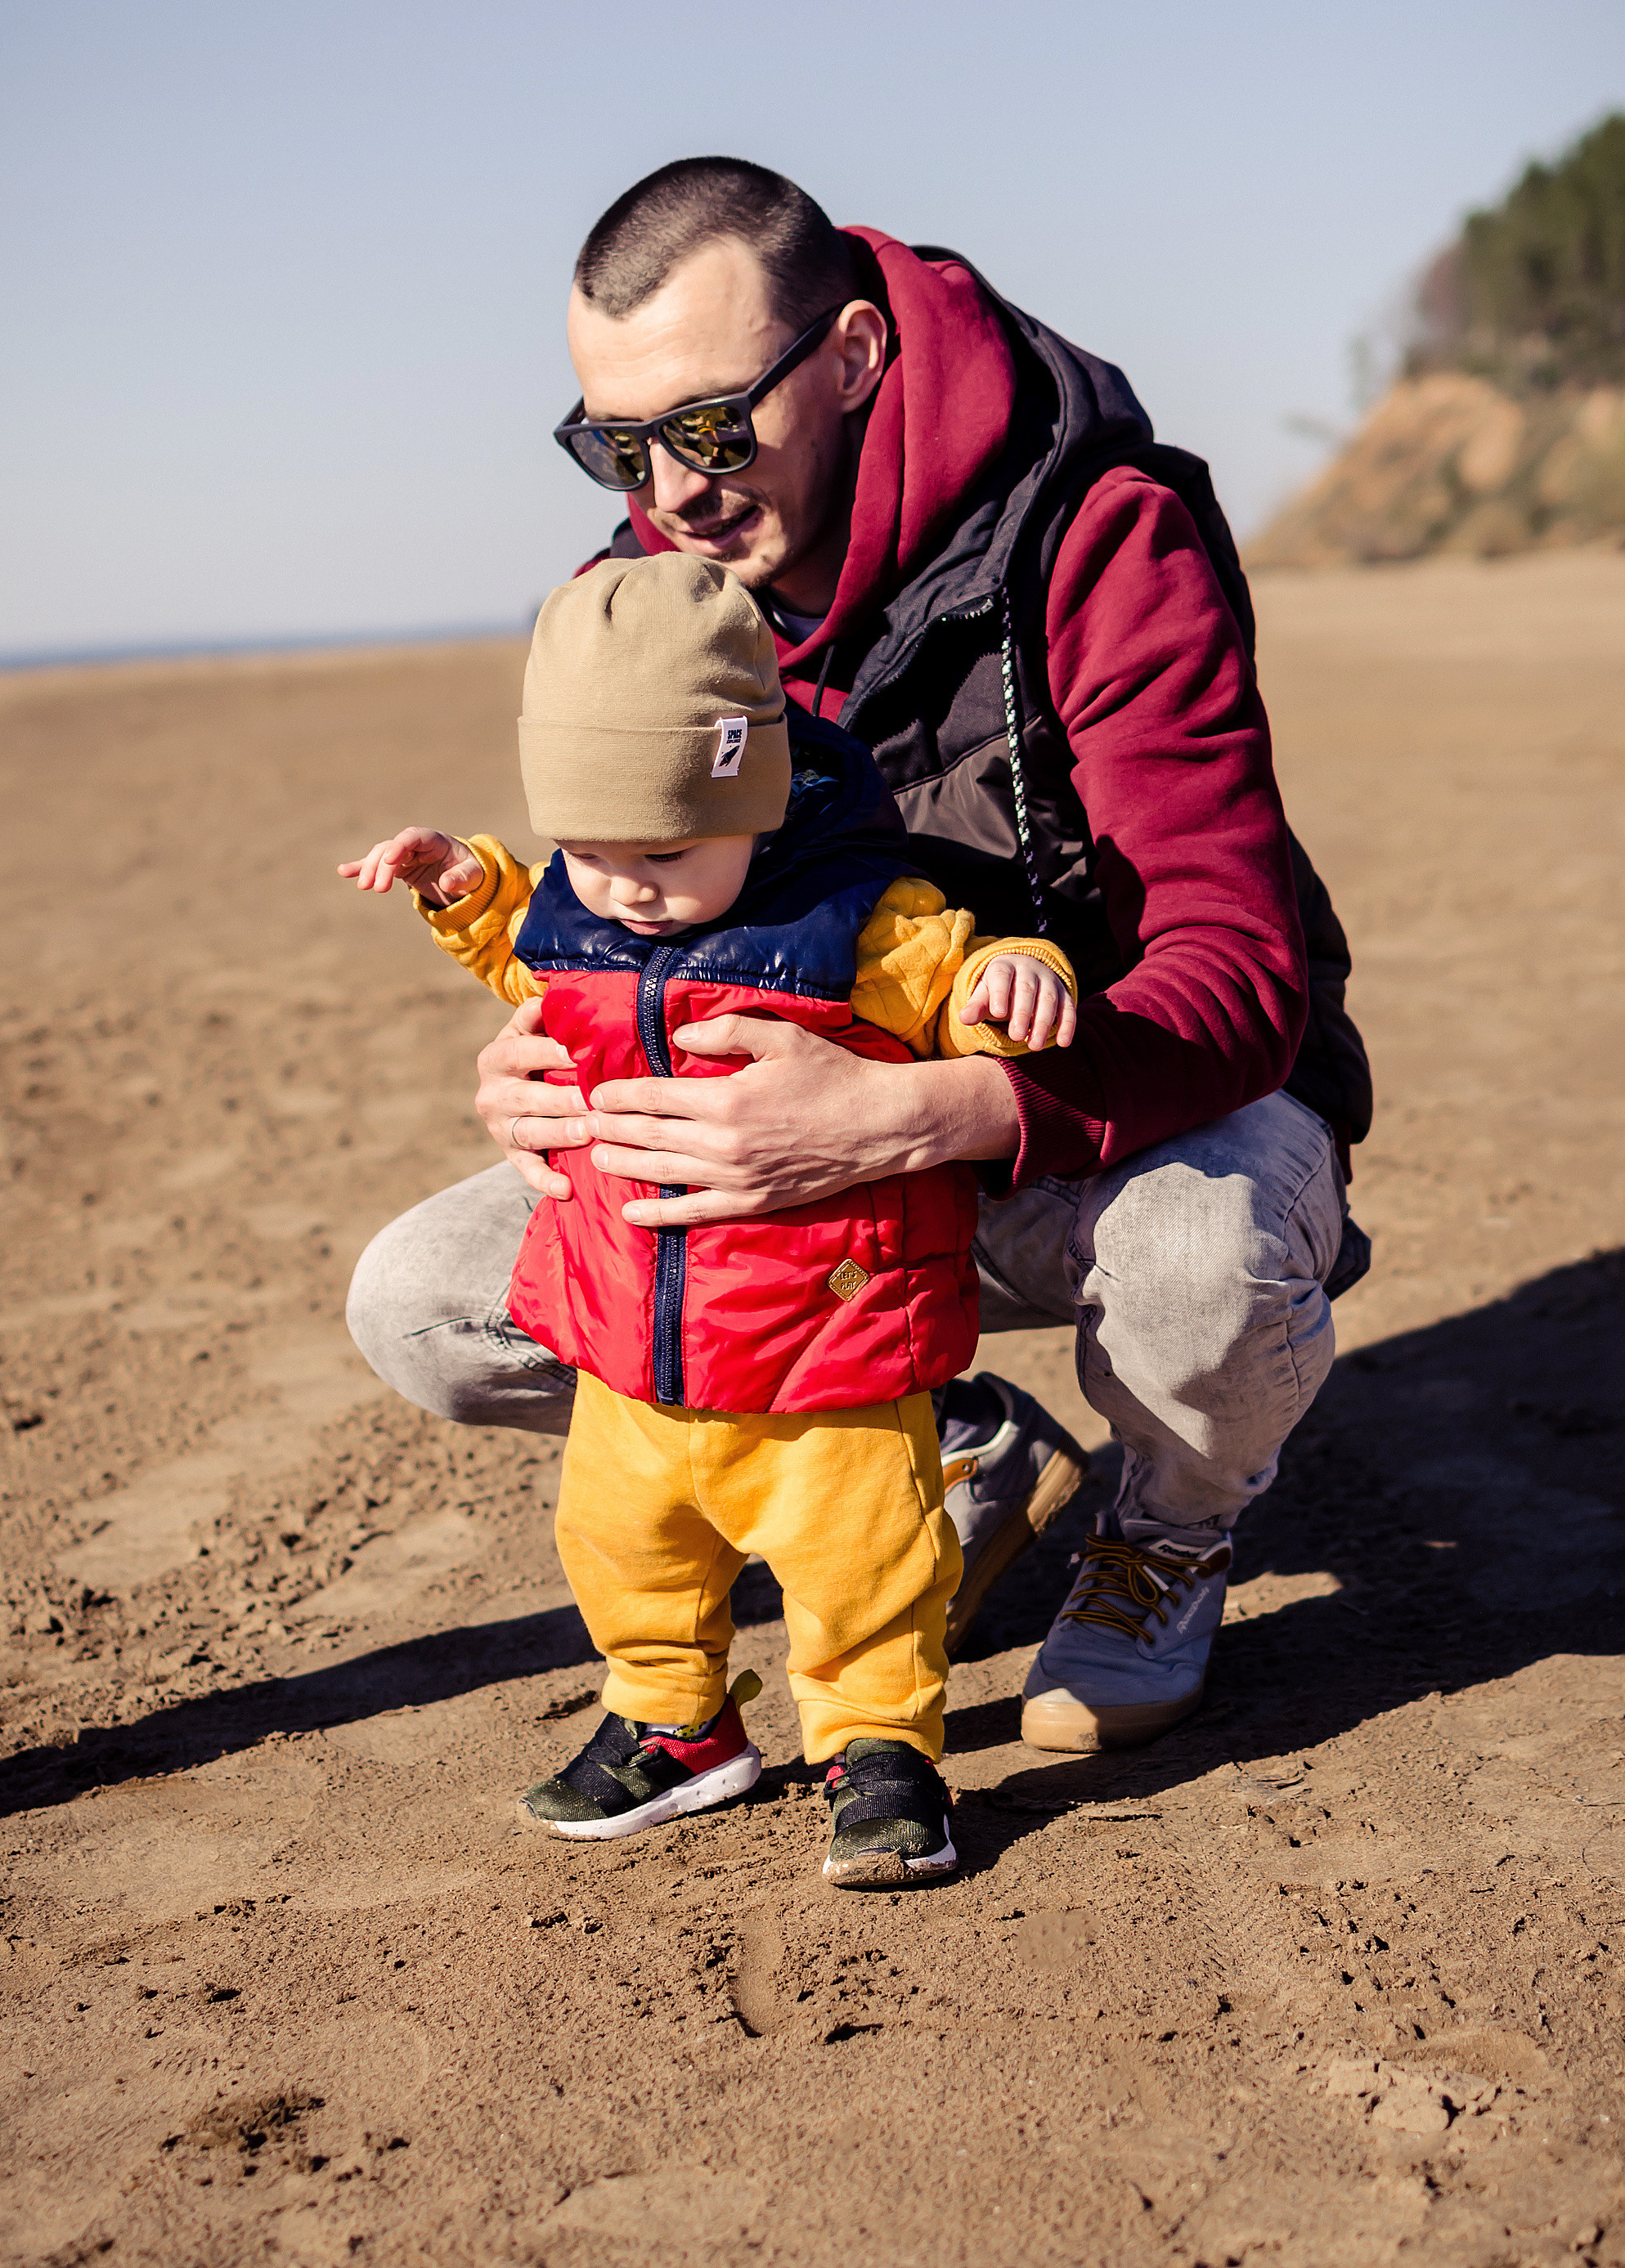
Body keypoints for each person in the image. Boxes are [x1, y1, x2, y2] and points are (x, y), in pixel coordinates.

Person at [345, 156, 1372, 1757]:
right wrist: (550, 1059)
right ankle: (941, 1442)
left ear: (851, 356)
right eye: (618, 443)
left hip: (1112, 1120)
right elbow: (610, 915)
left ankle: (1167, 1533)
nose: (670, 491)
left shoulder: (1101, 539)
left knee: (1200, 1268)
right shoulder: (637, 602)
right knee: (422, 1303)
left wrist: (914, 1113)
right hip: (817, 1221)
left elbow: (1237, 978)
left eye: (709, 426)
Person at [341, 552, 1077, 1884]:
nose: (626, 887)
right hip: (630, 1348)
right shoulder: (578, 910)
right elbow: (521, 949)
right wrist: (465, 887)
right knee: (625, 1552)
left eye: (668, 853)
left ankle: (879, 1750)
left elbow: (956, 980)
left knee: (864, 1566)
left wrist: (1015, 979)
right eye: (589, 851)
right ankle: (675, 1724)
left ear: (755, 802)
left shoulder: (856, 922)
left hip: (825, 1348)